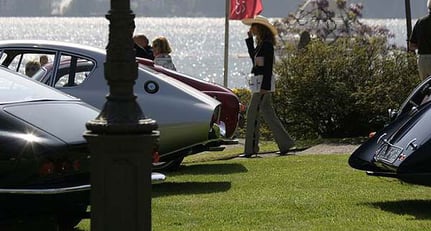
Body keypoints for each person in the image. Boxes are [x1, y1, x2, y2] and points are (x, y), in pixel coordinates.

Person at [239, 15, 295, 158]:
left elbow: (268, 67)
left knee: (252, 114)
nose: (251, 28)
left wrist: (264, 86)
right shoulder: (263, 44)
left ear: (259, 27)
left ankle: (250, 150)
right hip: (261, 84)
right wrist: (250, 41)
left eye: (253, 26)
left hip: (262, 85)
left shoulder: (267, 45)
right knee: (269, 114)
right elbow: (255, 61)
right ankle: (285, 144)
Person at [409, 0, 431, 80]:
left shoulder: (420, 22)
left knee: (425, 88)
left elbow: (411, 46)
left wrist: (423, 45)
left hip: (422, 60)